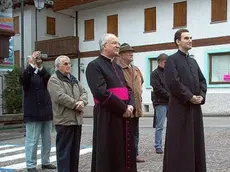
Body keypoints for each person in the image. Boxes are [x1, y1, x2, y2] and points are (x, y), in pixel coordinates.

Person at [86, 33, 137, 172]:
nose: (118, 45)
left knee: (124, 151)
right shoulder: (94, 66)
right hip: (107, 116)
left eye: (118, 43)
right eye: (114, 43)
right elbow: (100, 92)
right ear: (104, 46)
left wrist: (131, 105)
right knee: (109, 152)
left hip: (123, 114)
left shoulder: (118, 67)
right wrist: (123, 108)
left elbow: (128, 89)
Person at [163, 29, 207, 172]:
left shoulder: (193, 61)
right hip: (179, 109)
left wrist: (201, 95)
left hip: (195, 109)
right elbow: (174, 83)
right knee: (181, 142)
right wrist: (190, 97)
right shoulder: (171, 60)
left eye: (191, 38)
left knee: (195, 141)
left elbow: (202, 81)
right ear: (178, 41)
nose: (190, 40)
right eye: (186, 38)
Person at [47, 55, 88, 172]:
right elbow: (59, 96)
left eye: (69, 63)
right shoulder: (54, 79)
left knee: (74, 152)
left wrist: (82, 101)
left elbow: (84, 92)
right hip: (64, 121)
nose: (69, 66)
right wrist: (76, 104)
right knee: (64, 153)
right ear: (58, 66)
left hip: (76, 120)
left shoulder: (74, 79)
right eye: (65, 64)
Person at [20, 51, 56, 172]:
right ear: (29, 61)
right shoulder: (26, 73)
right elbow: (24, 80)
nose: (36, 60)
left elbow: (48, 80)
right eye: (34, 59)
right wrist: (31, 64)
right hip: (33, 112)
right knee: (32, 140)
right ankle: (31, 165)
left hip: (46, 110)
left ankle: (46, 162)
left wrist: (40, 66)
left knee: (47, 139)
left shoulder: (42, 73)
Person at [117, 43, 145, 162]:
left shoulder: (136, 69)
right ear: (121, 54)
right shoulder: (117, 69)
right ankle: (125, 155)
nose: (131, 53)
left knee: (135, 133)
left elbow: (141, 82)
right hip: (125, 106)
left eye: (132, 51)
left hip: (136, 105)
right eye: (128, 52)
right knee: (124, 133)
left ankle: (135, 153)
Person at [150, 53, 169, 154]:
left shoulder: (169, 73)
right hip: (160, 103)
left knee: (172, 125)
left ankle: (171, 144)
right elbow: (157, 88)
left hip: (170, 103)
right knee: (160, 126)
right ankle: (158, 146)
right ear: (160, 62)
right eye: (166, 62)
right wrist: (170, 96)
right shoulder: (154, 73)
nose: (167, 64)